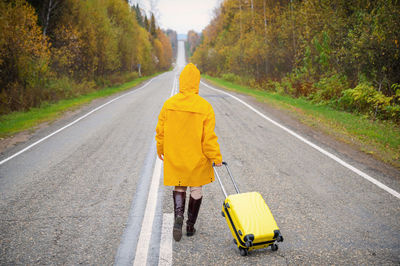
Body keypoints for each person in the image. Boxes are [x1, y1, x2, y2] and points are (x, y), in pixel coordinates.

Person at [155, 63, 222, 242]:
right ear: (197, 82)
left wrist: (160, 149)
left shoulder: (169, 104)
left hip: (176, 155)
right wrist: (216, 157)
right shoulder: (205, 106)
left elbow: (160, 131)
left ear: (182, 81)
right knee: (196, 188)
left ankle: (178, 216)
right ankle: (190, 226)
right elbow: (208, 138)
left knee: (179, 184)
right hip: (197, 157)